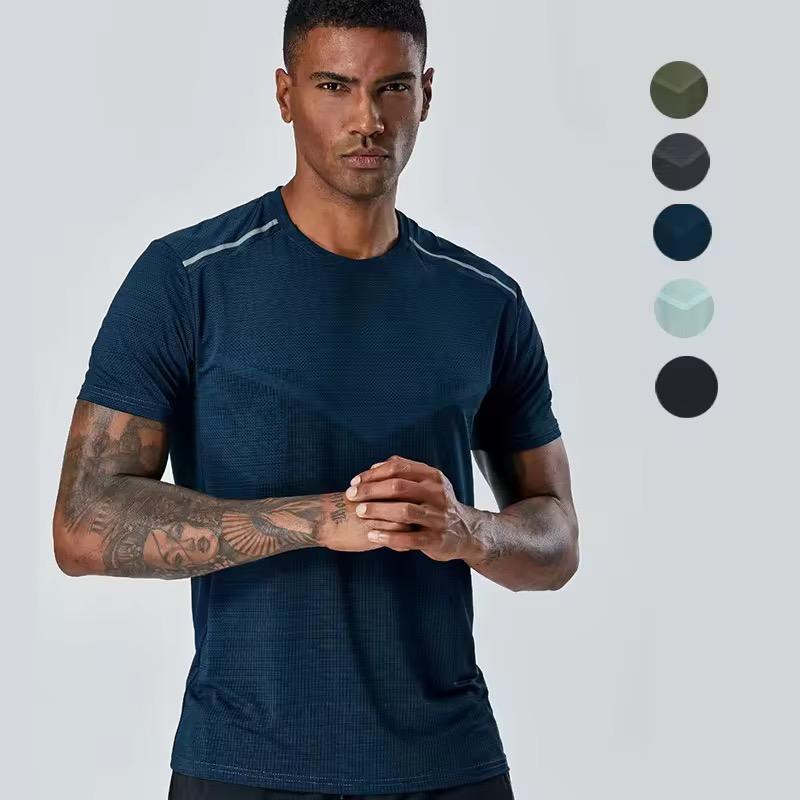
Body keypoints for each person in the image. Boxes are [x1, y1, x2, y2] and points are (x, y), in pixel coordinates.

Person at [52, 1, 580, 798]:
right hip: (244, 765)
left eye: (392, 87)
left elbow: (557, 538)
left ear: (426, 94)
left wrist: (465, 530)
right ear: (285, 93)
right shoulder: (187, 281)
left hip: (450, 765)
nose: (368, 119)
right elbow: (82, 525)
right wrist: (322, 519)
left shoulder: (485, 300)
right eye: (335, 85)